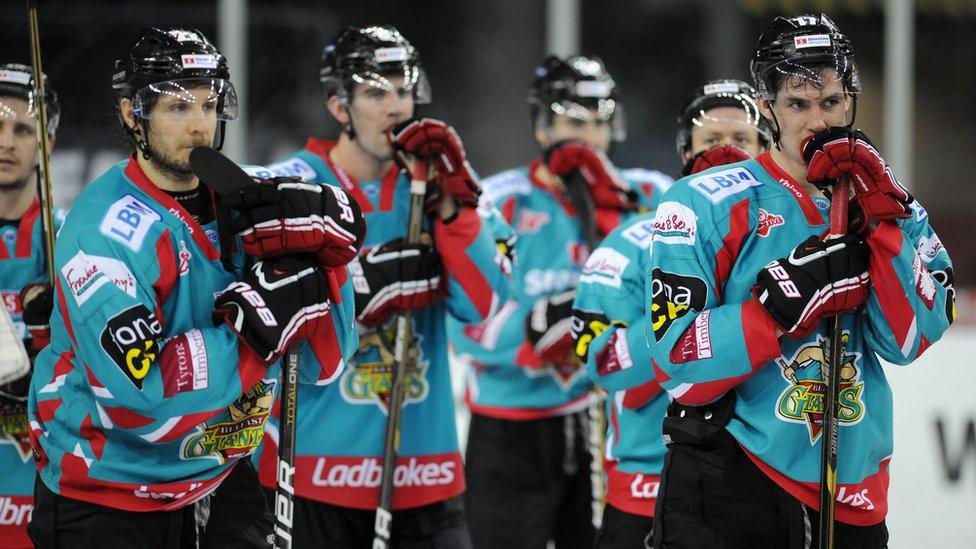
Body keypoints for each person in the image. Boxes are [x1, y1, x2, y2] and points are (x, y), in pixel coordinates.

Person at [26, 27, 364, 548]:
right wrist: (252, 336)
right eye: (176, 108)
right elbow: (141, 404)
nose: (199, 126)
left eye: (208, 105)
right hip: (106, 493)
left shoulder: (250, 196)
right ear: (130, 115)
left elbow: (327, 362)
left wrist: (329, 258)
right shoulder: (102, 233)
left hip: (218, 478)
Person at [648, 14, 955, 548]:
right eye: (797, 104)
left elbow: (909, 340)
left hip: (851, 488)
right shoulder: (703, 201)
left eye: (831, 102)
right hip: (729, 478)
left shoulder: (889, 203)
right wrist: (773, 310)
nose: (817, 121)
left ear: (849, 101)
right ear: (767, 106)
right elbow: (676, 364)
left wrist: (884, 224)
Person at [259, 25, 510, 547]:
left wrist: (452, 208)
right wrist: (359, 284)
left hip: (425, 475)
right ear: (338, 105)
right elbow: (262, 312)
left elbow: (484, 305)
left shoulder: (442, 186)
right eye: (376, 92)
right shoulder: (292, 185)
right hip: (310, 475)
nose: (396, 106)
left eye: (403, 90)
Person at [449, 54, 671, 549]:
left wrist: (615, 214)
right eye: (574, 121)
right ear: (542, 126)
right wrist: (534, 326)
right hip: (510, 431)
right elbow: (464, 321)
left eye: (598, 122)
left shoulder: (649, 194)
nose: (588, 137)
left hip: (605, 424)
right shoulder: (499, 201)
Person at [570, 78, 770, 548]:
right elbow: (604, 361)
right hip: (646, 489)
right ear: (685, 152)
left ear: (767, 147)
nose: (726, 152)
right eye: (710, 141)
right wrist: (680, 308)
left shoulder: (790, 235)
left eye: (741, 140)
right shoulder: (630, 241)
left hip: (761, 485)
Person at [0, 63, 62, 549]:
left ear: (47, 144)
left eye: (23, 129)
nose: (7, 142)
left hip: (47, 484)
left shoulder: (73, 236)